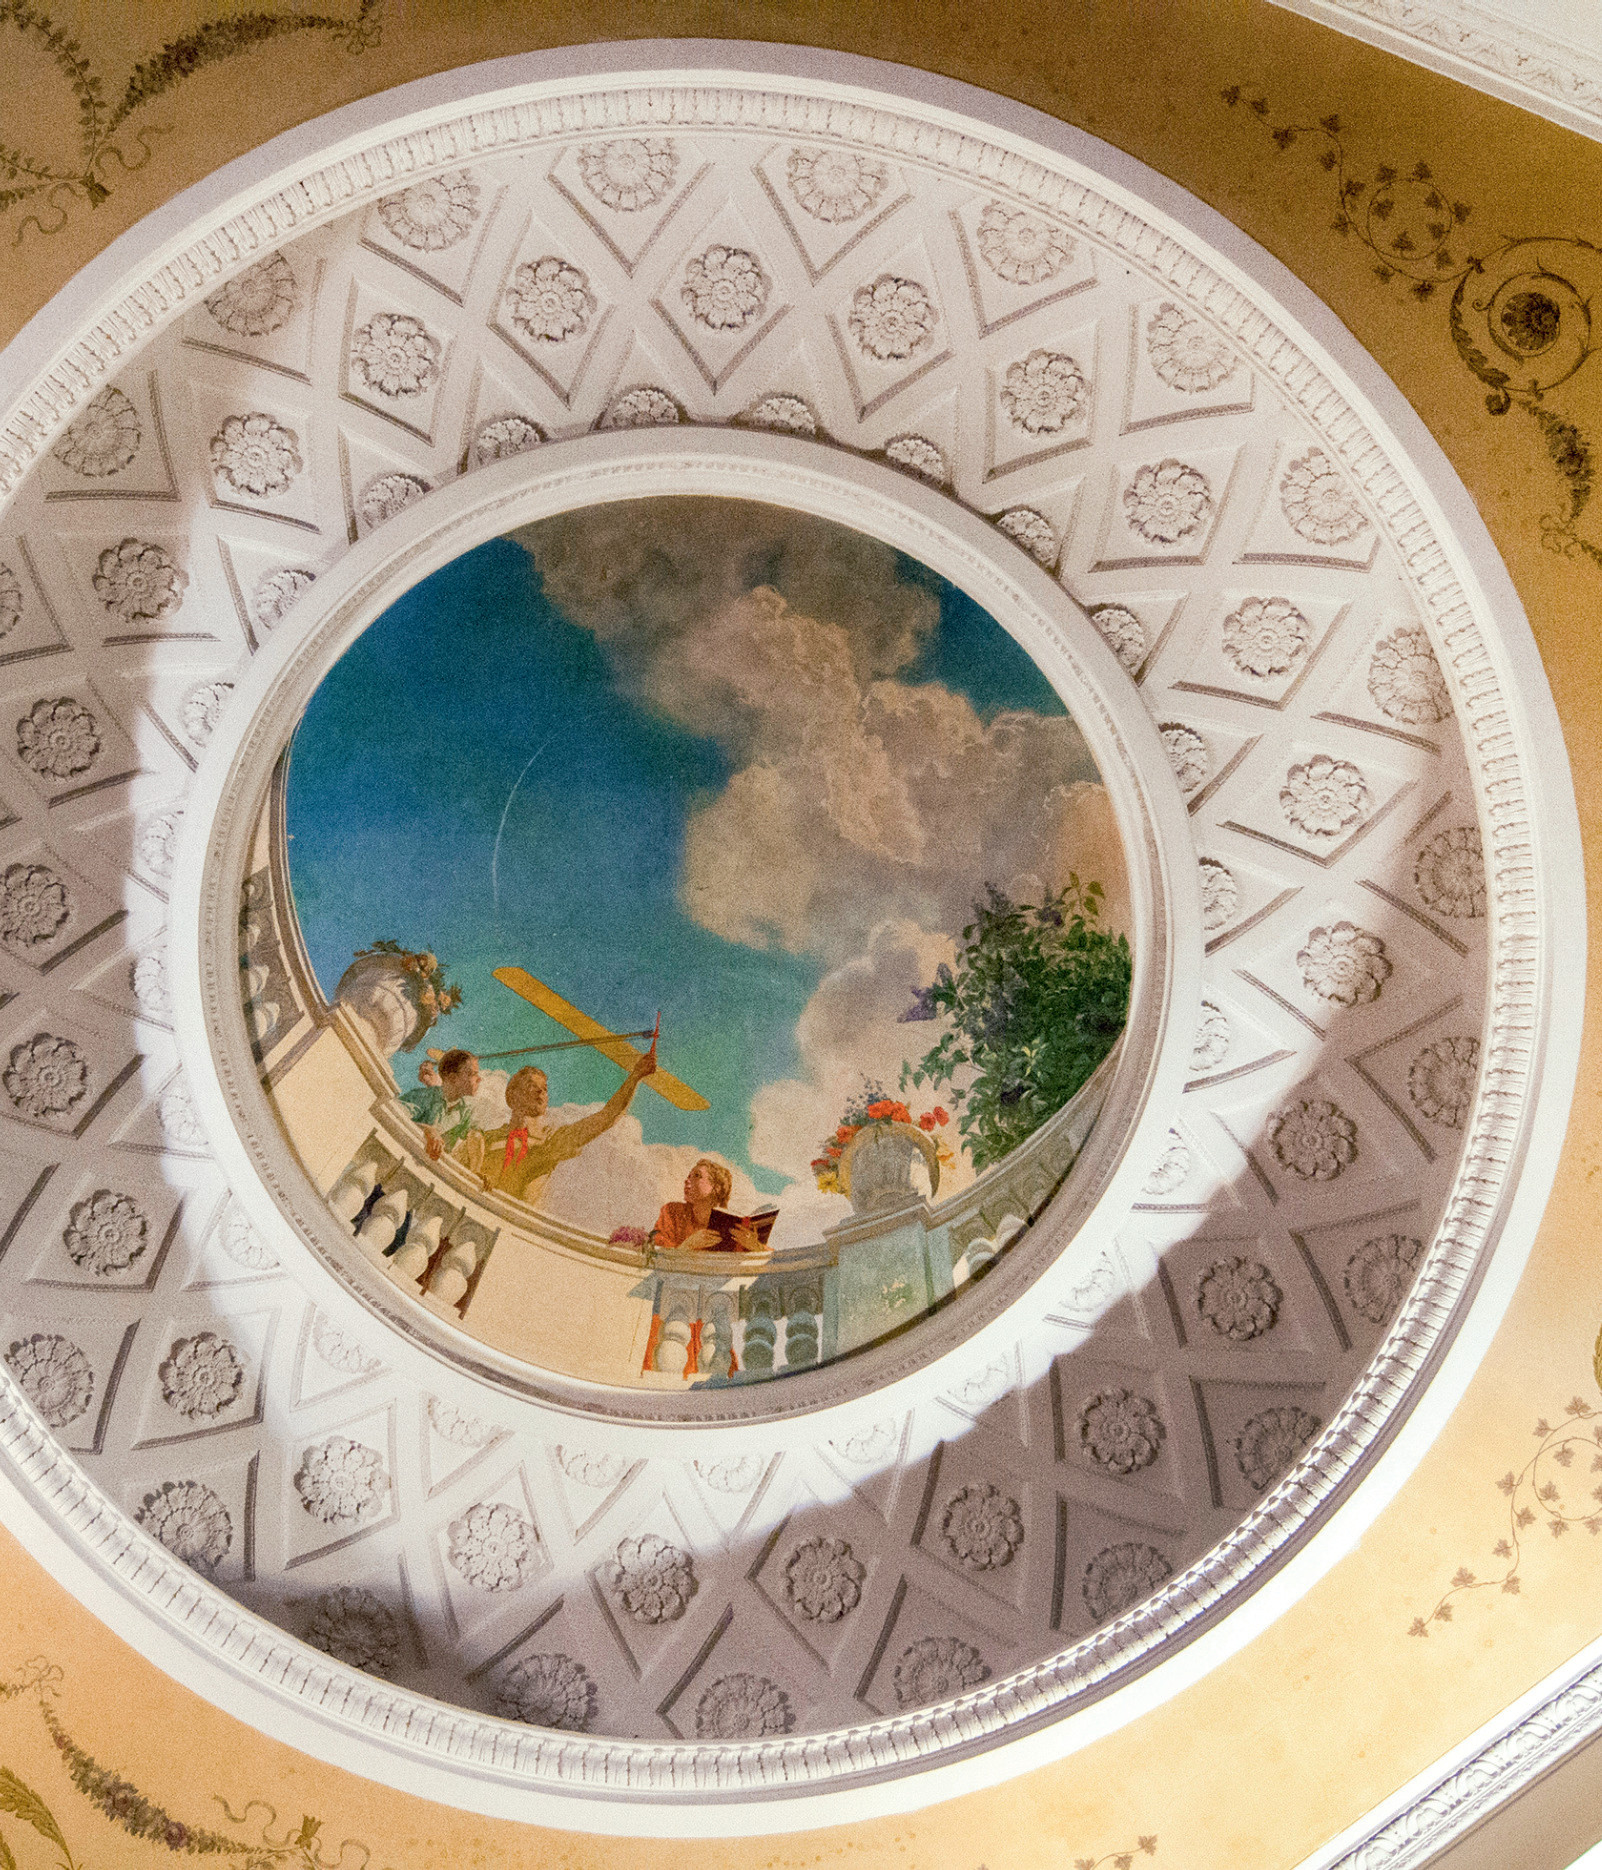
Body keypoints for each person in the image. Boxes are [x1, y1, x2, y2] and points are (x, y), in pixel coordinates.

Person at [475, 1040, 659, 1205]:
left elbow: (606, 1117)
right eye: (531, 1086)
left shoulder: (551, 1142)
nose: (540, 1092)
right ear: (512, 1094)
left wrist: (635, 1076)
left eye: (544, 1089)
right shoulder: (484, 1139)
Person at [651, 1158, 762, 1254]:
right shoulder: (672, 1212)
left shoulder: (731, 1222)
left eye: (697, 1176)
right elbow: (654, 1253)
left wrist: (755, 1247)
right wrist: (688, 1245)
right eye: (689, 1176)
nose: (687, 1180)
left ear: (716, 1187)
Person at [399, 1049, 480, 1162]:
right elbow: (393, 1113)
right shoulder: (423, 1096)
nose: (479, 1079)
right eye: (473, 1074)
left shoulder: (465, 1112)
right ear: (453, 1078)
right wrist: (427, 1130)